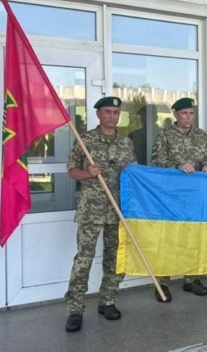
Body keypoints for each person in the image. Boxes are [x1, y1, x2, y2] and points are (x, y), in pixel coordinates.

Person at [64, 96, 136, 333]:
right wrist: (88, 173)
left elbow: (133, 174)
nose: (112, 116)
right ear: (98, 114)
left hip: (117, 210)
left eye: (116, 112)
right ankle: (75, 309)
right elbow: (71, 171)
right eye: (108, 112)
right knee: (83, 260)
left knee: (114, 258)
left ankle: (107, 300)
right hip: (91, 210)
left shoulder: (126, 143)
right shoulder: (85, 140)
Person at [150, 97, 207, 302]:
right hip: (171, 196)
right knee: (168, 238)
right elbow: (156, 162)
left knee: (193, 237)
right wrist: (177, 166)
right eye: (184, 113)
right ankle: (162, 283)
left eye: (191, 113)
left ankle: (192, 279)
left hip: (195, 196)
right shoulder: (165, 136)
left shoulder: (201, 135)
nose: (189, 117)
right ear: (175, 114)